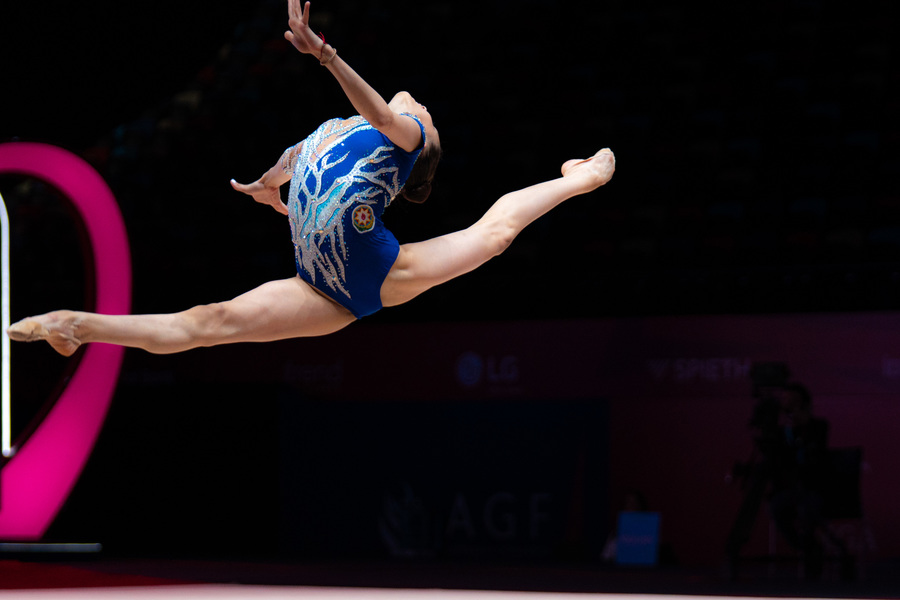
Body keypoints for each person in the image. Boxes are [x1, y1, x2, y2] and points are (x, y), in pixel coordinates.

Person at [7, 0, 615, 357]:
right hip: (317, 285)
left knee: (496, 233)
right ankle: (76, 326)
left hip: (377, 268)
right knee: (206, 322)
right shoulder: (336, 128)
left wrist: (324, 55)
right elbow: (293, 163)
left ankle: (581, 178)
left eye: (426, 112)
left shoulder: (405, 138)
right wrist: (268, 185)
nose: (422, 106)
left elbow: (378, 111)